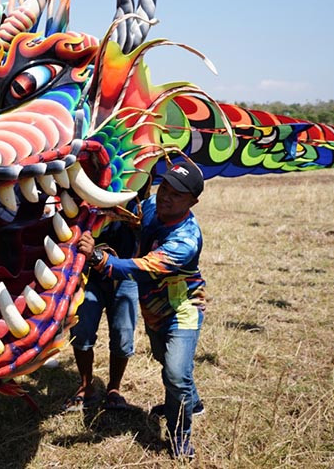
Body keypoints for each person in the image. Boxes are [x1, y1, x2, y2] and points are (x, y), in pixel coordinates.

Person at [77, 162, 207, 460]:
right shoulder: (152, 205)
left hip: (182, 310)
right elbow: (138, 217)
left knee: (175, 373)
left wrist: (97, 257)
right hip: (153, 309)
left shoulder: (185, 240)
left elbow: (143, 268)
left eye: (177, 195)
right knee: (166, 360)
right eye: (166, 189)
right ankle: (192, 402)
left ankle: (179, 436)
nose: (166, 197)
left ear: (192, 202)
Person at [63, 201, 142, 412]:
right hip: (89, 274)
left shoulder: (138, 195)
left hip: (126, 272)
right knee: (81, 331)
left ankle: (114, 390)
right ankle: (86, 386)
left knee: (123, 335)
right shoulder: (80, 193)